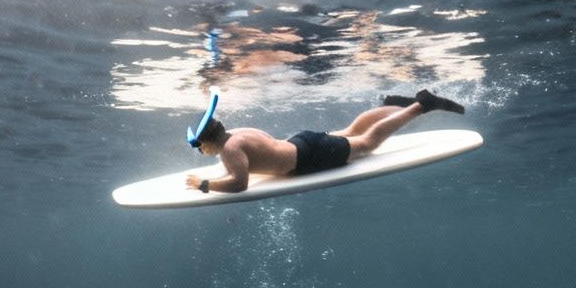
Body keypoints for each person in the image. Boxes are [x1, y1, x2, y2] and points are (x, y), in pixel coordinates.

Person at [183, 88, 465, 196]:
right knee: (354, 128)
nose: (201, 151)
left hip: (309, 158)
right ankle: (395, 105)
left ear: (206, 141)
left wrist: (205, 185)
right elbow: (255, 155)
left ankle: (421, 105)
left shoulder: (231, 151)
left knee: (367, 142)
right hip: (301, 141)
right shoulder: (237, 135)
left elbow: (239, 184)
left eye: (198, 146)